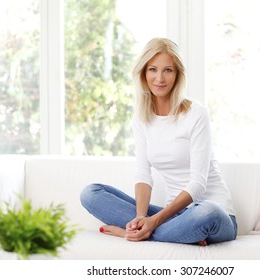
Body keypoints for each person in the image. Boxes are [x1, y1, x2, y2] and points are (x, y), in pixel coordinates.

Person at [80, 37, 237, 246]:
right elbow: (143, 175)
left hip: (215, 217)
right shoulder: (141, 118)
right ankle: (171, 234)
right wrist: (141, 219)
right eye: (153, 69)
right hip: (176, 218)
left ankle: (134, 234)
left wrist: (154, 222)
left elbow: (198, 184)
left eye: (168, 70)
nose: (159, 78)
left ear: (178, 75)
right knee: (91, 194)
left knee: (207, 210)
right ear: (144, 73)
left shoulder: (196, 113)